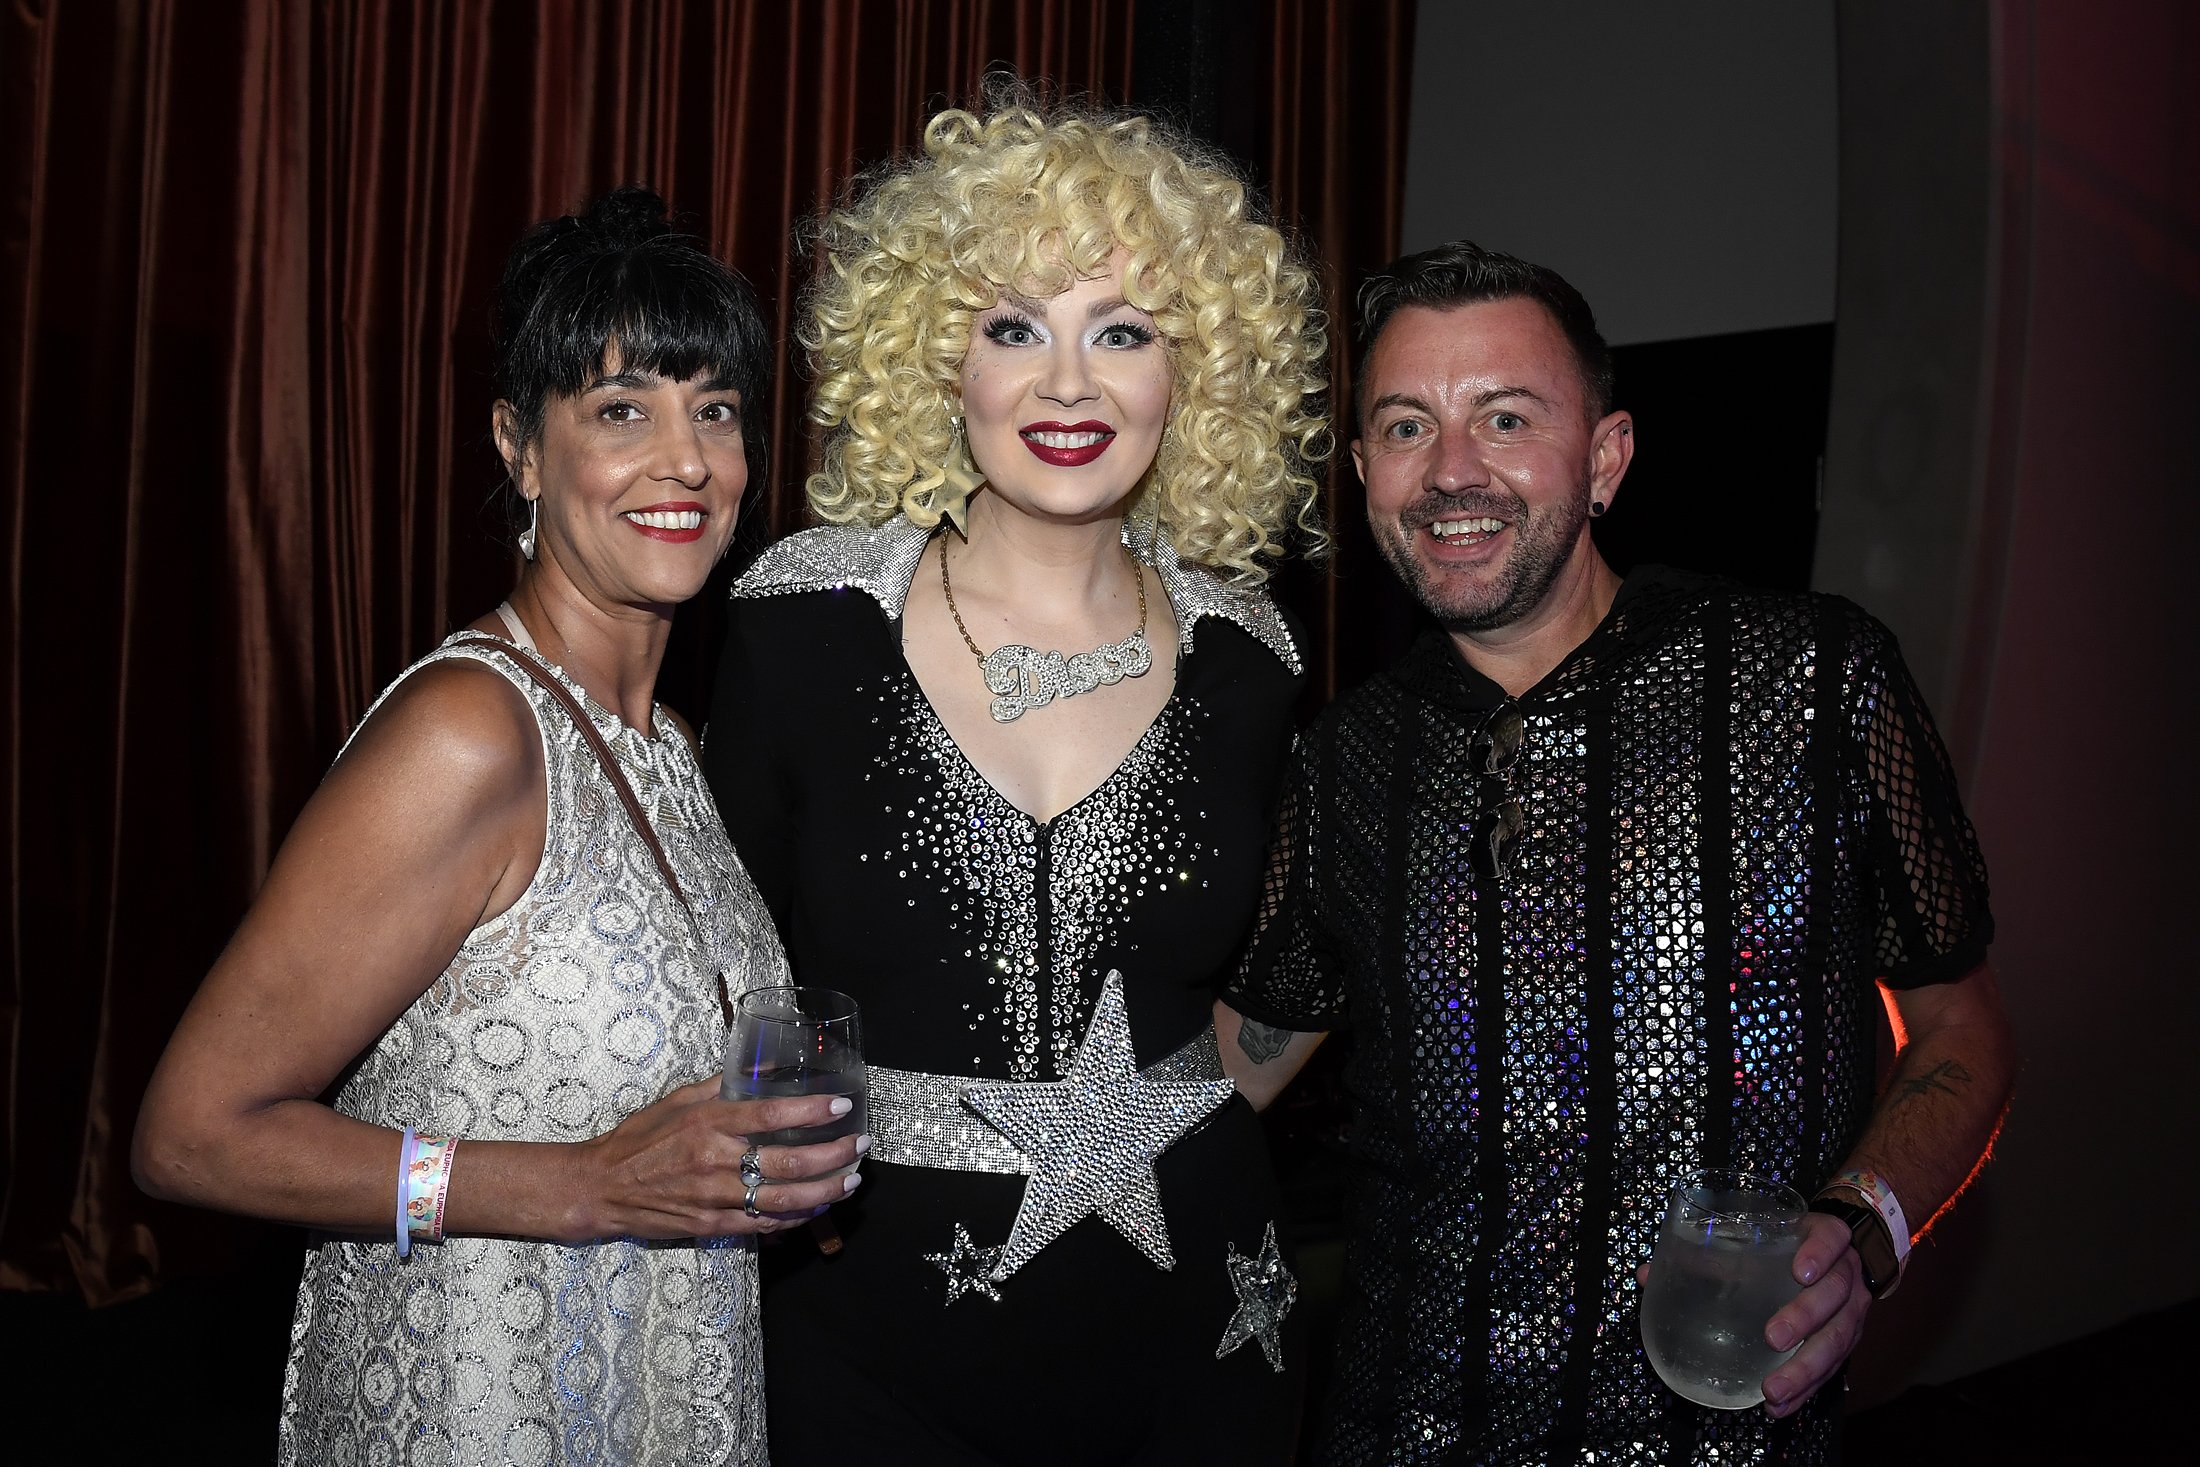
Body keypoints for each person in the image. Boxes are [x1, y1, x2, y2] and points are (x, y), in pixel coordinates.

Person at [1218, 241, 2017, 1464]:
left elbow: (1961, 1037)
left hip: (1726, 1431)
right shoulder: (1340, 765)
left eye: (1504, 418)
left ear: (1605, 459)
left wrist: (1863, 1228)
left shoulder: (1808, 680)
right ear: (1363, 472)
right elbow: (1229, 1071)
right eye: (1404, 426)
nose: (1451, 473)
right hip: (1400, 1425)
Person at [133, 187, 862, 1466]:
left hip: (664, 1386)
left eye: (717, 410)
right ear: (521, 449)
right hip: (479, 1406)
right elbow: (194, 1136)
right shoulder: (472, 729)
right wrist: (582, 1187)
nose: (685, 459)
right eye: (622, 409)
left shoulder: (675, 746)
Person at [701, 88, 1329, 1465]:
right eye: (1013, 327)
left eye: (1124, 331)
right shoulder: (796, 620)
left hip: (1198, 1320)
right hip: (865, 1324)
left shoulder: (1254, 658)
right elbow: (714, 972)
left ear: (1196, 377)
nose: (1067, 383)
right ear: (938, 360)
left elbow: (1292, 976)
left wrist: (1138, 1127)